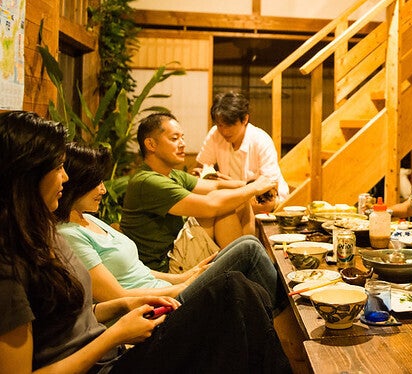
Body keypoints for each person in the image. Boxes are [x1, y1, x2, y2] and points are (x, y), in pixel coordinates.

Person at [0, 110, 290, 374]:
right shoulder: (9, 269)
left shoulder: (43, 235)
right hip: (107, 362)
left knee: (243, 292)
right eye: (58, 167)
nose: (65, 177)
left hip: (118, 343)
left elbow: (73, 317)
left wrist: (126, 304)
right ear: (28, 174)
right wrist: (115, 335)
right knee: (234, 288)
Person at [56, 142, 283, 310]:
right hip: (160, 306)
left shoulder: (90, 218)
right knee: (248, 250)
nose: (104, 190)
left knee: (248, 242)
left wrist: (187, 277)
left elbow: (138, 271)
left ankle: (278, 314)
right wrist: (181, 288)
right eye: (96, 183)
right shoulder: (69, 235)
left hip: (166, 287)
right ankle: (282, 316)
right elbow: (118, 297)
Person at [121, 112, 276, 273]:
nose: (182, 144)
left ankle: (248, 266)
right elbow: (211, 205)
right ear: (151, 144)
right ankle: (247, 268)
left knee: (238, 199)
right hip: (165, 267)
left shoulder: (172, 174)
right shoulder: (147, 181)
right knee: (225, 207)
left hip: (179, 249)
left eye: (182, 138)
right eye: (174, 138)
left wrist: (257, 185)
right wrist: (254, 188)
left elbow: (216, 186)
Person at [195, 91, 290, 214]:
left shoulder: (261, 140)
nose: (224, 131)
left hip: (264, 200)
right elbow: (200, 169)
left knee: (231, 205)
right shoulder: (215, 134)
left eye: (229, 125)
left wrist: (230, 184)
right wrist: (201, 175)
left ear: (245, 119)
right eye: (220, 125)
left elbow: (270, 188)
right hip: (234, 197)